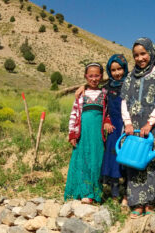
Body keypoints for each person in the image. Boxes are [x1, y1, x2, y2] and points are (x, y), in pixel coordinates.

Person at [120, 37, 155, 218]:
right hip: (132, 127)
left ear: (151, 52)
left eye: (143, 53)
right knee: (133, 162)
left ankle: (150, 203)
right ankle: (136, 202)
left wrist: (150, 122)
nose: (139, 58)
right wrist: (127, 122)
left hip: (153, 126)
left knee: (150, 162)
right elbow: (124, 101)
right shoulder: (129, 77)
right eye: (136, 55)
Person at [64, 62, 112, 204]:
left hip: (97, 135)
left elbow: (107, 112)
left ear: (101, 76)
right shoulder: (81, 94)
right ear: (86, 77)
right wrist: (72, 133)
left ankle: (94, 193)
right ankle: (83, 192)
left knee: (96, 160)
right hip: (83, 133)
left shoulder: (104, 94)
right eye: (90, 76)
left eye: (97, 75)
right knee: (82, 160)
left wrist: (107, 122)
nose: (93, 79)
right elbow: (74, 114)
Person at [100, 54, 129, 206]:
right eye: (113, 70)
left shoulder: (131, 84)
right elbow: (103, 109)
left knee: (127, 161)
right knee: (113, 161)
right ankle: (115, 195)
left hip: (129, 128)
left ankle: (126, 195)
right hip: (113, 129)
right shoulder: (106, 89)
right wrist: (106, 121)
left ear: (125, 68)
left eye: (119, 69)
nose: (117, 73)